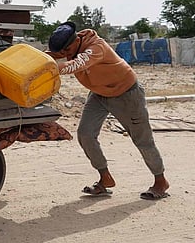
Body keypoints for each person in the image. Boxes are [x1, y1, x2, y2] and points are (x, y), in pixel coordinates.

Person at [46, 22, 170, 200]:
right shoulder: (70, 47)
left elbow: (78, 64)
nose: (64, 55)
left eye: (67, 51)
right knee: (85, 134)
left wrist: (50, 69)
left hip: (127, 93)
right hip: (99, 94)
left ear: (75, 41)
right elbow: (51, 55)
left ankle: (160, 181)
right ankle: (105, 178)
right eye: (63, 52)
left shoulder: (96, 47)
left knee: (142, 140)